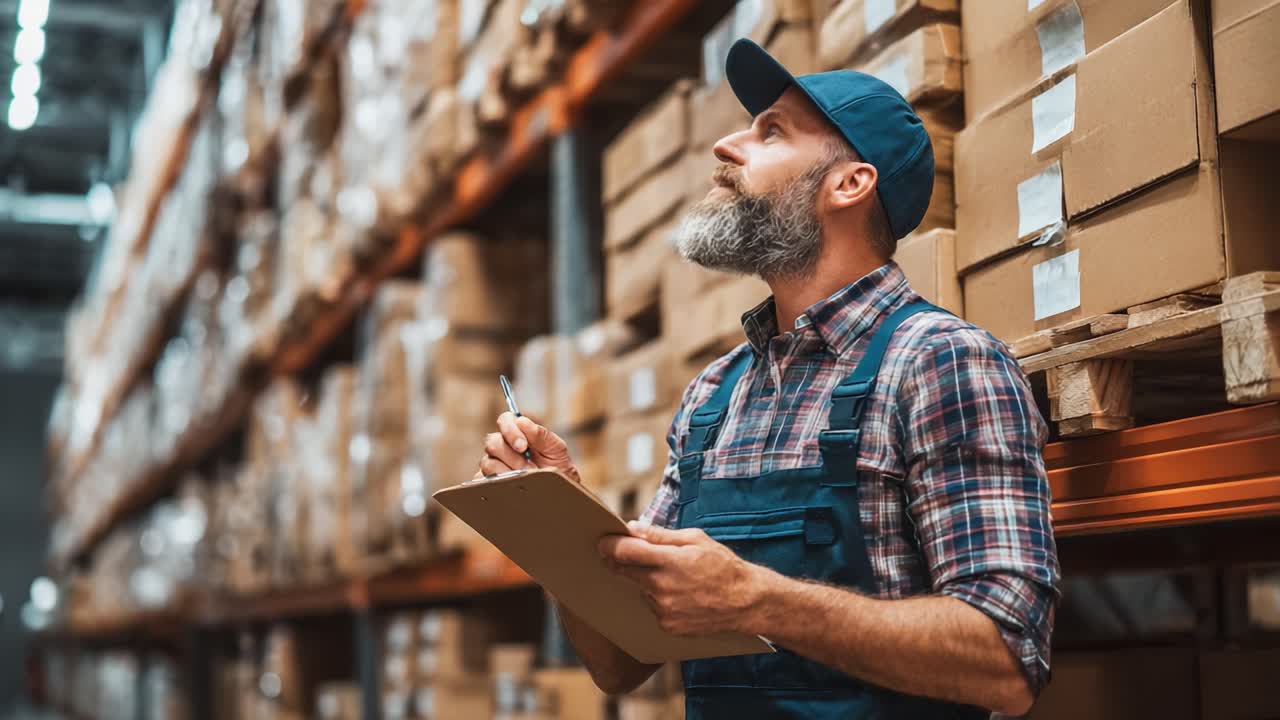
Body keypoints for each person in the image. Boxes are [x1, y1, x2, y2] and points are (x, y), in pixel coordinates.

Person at [478, 38, 1060, 719]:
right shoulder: (713, 397)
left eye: (771, 132)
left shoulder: (941, 363)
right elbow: (620, 660)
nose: (727, 145)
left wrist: (757, 599)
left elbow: (1007, 659)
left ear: (850, 183)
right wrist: (557, 521)